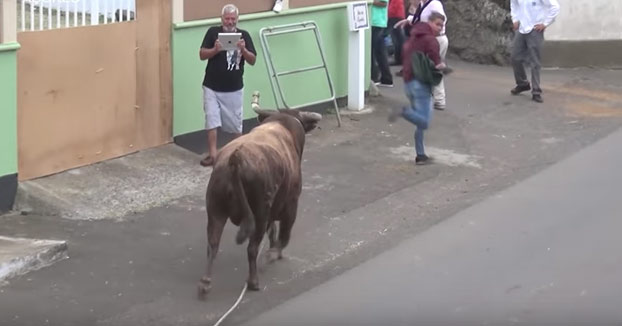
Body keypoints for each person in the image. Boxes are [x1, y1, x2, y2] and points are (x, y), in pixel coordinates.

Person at [199, 4, 257, 167]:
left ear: (237, 19)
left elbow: (253, 60)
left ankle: (238, 155)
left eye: (233, 19)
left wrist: (244, 50)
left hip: (234, 88)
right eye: (227, 18)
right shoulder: (213, 32)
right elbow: (202, 54)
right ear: (221, 18)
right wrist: (215, 49)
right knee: (211, 119)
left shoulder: (244, 35)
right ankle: (213, 155)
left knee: (235, 124)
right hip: (211, 86)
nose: (230, 22)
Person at [389, 11, 446, 165]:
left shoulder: (413, 36)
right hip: (421, 84)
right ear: (430, 22)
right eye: (437, 24)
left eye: (442, 25)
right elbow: (437, 62)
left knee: (420, 121)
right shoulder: (431, 41)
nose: (440, 28)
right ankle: (403, 111)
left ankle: (420, 155)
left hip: (408, 83)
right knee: (424, 122)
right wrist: (444, 67)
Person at [395, 0, 448, 110]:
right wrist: (409, 20)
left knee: (430, 69)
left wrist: (434, 31)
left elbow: (440, 20)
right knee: (430, 69)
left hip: (436, 40)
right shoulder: (423, 4)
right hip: (431, 40)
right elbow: (421, 18)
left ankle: (436, 100)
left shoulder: (435, 4)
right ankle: (436, 99)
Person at [510, 0, 560, 103]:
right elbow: (514, 4)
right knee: (515, 58)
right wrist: (515, 19)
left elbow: (555, 7)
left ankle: (536, 91)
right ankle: (522, 84)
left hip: (535, 30)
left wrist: (545, 23)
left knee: (535, 62)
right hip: (521, 28)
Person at [371, 0, 394, 87]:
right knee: (380, 52)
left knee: (372, 51)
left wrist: (369, 2)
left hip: (376, 22)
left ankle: (374, 77)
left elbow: (383, 3)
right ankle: (386, 79)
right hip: (376, 22)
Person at [388, 0, 406, 66]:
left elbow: (393, 7)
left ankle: (398, 59)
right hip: (399, 15)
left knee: (396, 39)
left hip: (395, 16)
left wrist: (387, 15)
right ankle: (401, 58)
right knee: (400, 38)